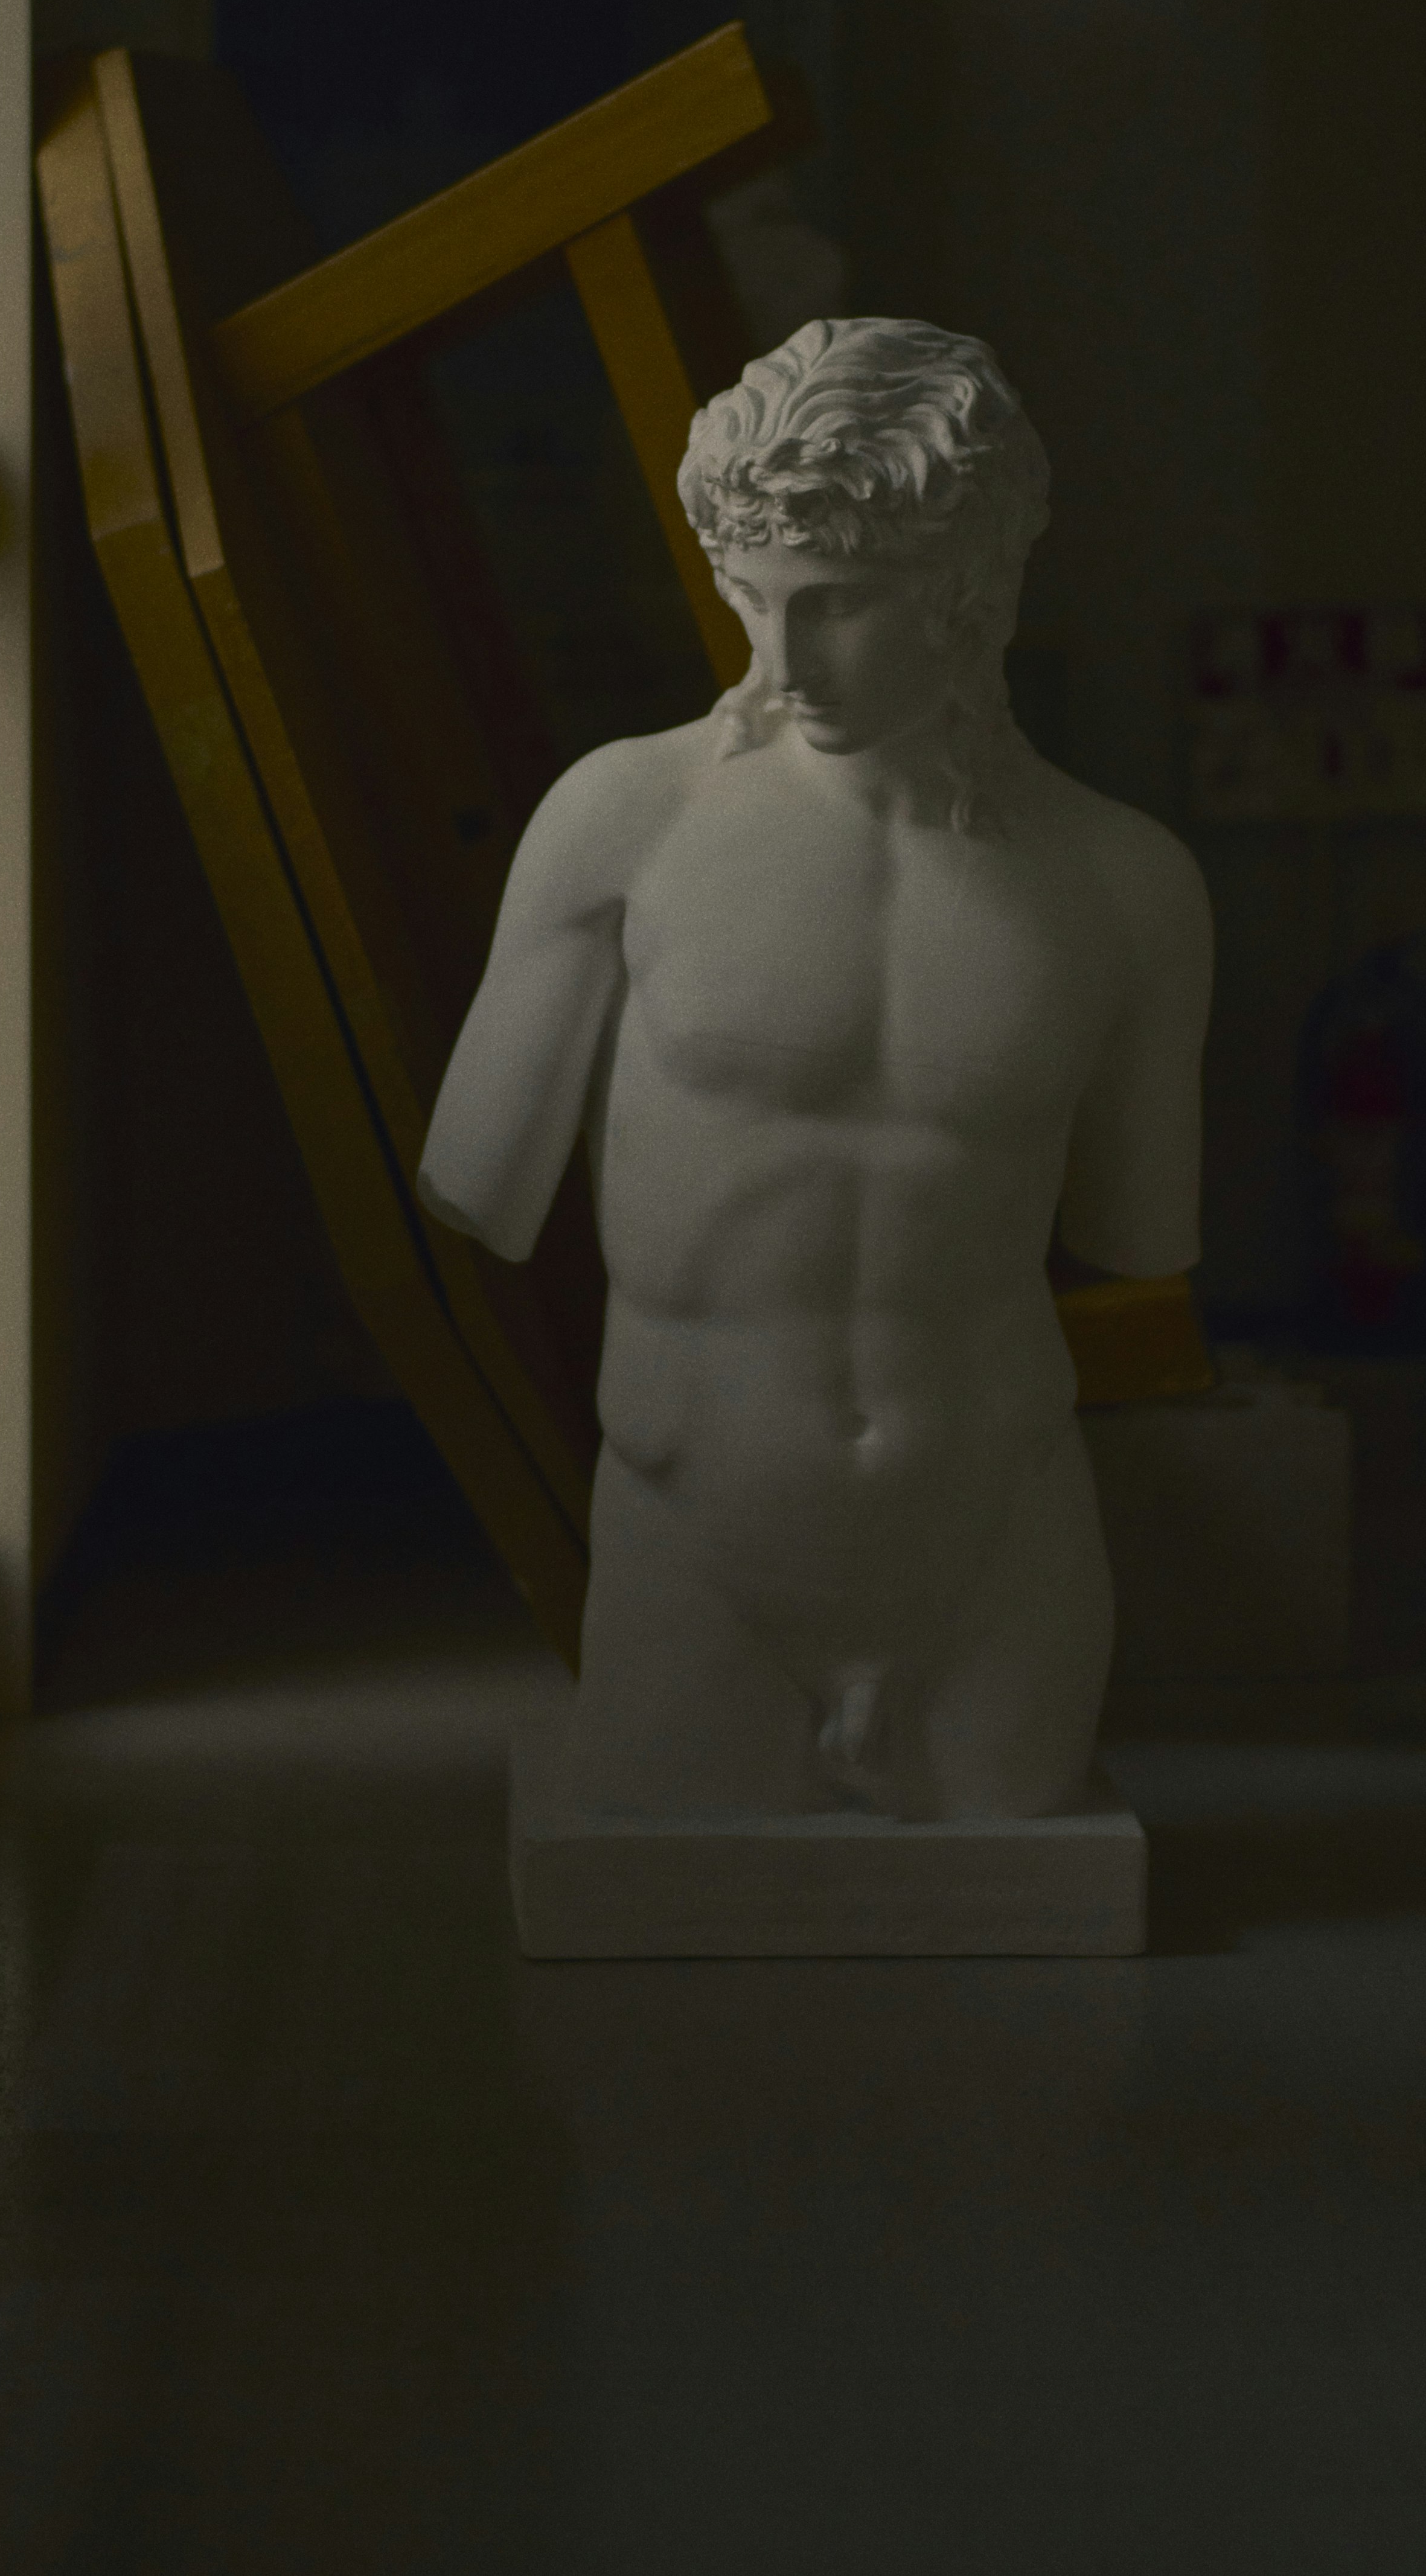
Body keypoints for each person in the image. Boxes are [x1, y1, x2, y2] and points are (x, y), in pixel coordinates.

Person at [419, 316, 1212, 1819]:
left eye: (841, 602)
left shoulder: (1125, 887)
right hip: (695, 1541)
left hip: (999, 1550)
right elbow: (480, 1181)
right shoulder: (620, 822)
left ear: (971, 587)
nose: (781, 661)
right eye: (754, 595)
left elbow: (1138, 1240)